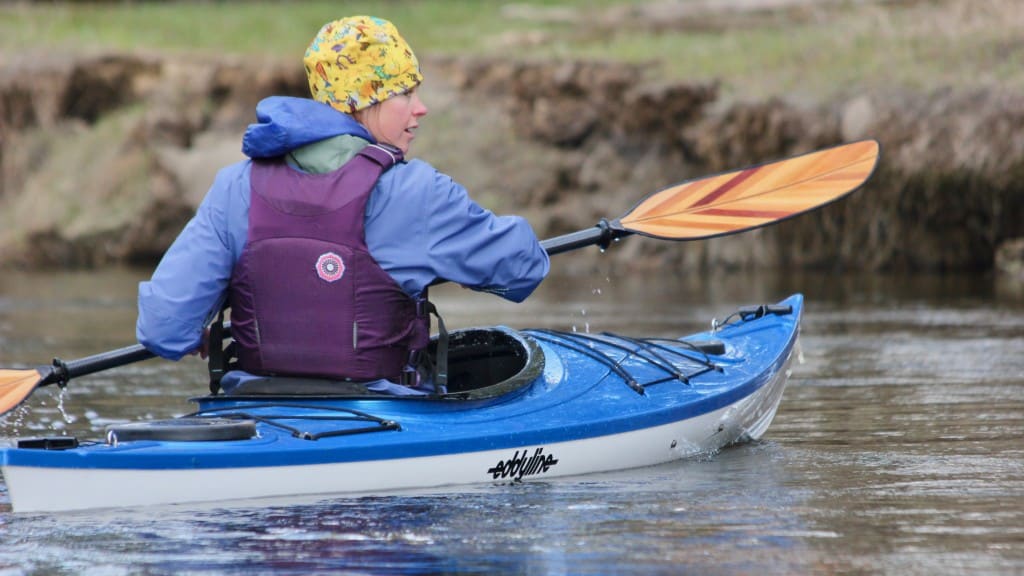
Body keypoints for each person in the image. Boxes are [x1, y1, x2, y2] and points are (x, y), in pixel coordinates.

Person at [136, 16, 550, 395]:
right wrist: (455, 259)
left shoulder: (235, 186)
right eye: (405, 92)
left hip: (253, 412)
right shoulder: (417, 191)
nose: (420, 108)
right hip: (384, 426)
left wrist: (198, 332)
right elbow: (522, 269)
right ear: (362, 101)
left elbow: (163, 329)